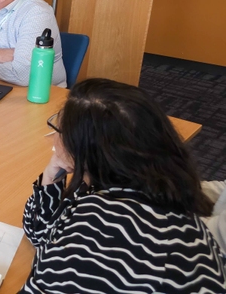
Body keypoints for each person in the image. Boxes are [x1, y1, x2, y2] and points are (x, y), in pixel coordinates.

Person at [22, 78, 226, 293]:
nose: (54, 136)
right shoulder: (158, 185)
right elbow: (42, 232)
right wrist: (54, 168)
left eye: (59, 129)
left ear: (86, 152)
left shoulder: (103, 231)